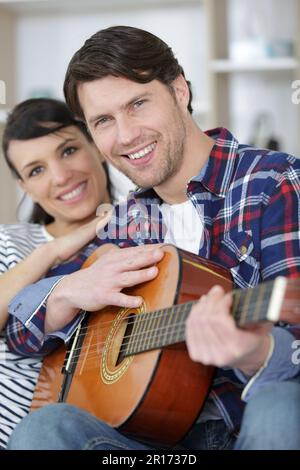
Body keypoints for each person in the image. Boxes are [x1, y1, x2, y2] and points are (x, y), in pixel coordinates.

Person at [6, 27, 300, 450]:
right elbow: (19, 332)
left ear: (179, 90)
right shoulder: (124, 221)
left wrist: (253, 353)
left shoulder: (273, 182)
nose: (125, 136)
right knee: (46, 428)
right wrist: (67, 292)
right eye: (103, 121)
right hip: (150, 447)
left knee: (283, 405)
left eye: (138, 104)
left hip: (249, 429)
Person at [0, 97, 159, 449]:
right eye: (35, 171)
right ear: (24, 188)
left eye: (69, 150)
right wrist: (52, 251)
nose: (60, 176)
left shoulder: (144, 227)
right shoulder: (8, 242)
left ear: (96, 145)